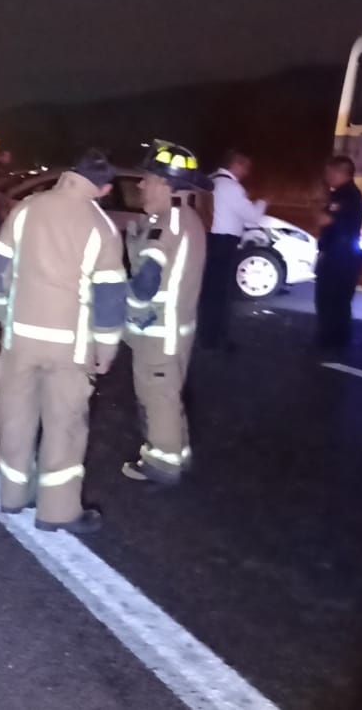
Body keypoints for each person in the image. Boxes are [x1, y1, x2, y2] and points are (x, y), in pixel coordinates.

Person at [0, 149, 127, 533]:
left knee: (15, 418)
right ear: (104, 188)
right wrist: (107, 348)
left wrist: (4, 316)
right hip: (70, 346)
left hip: (22, 340)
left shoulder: (28, 208)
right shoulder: (101, 228)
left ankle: (13, 497)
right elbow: (110, 296)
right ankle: (58, 510)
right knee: (64, 427)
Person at [120, 141, 211, 485]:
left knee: (157, 394)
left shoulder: (169, 222)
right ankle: (178, 451)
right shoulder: (184, 218)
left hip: (159, 330)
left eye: (148, 178)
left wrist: (127, 313)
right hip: (175, 328)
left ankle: (162, 463)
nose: (142, 185)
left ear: (165, 183)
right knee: (168, 393)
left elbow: (146, 281)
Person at [199, 149, 265, 351]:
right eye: (245, 167)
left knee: (208, 291)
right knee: (221, 294)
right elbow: (252, 215)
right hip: (224, 243)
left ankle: (205, 335)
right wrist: (263, 201)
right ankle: (216, 338)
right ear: (236, 164)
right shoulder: (231, 187)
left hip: (207, 239)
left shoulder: (209, 181)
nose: (246, 172)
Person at [314, 156, 362, 348]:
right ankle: (334, 340)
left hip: (340, 257)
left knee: (332, 300)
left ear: (340, 172)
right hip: (340, 255)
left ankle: (331, 341)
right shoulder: (344, 194)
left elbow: (324, 220)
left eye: (330, 172)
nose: (327, 176)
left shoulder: (347, 195)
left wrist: (319, 203)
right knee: (336, 301)